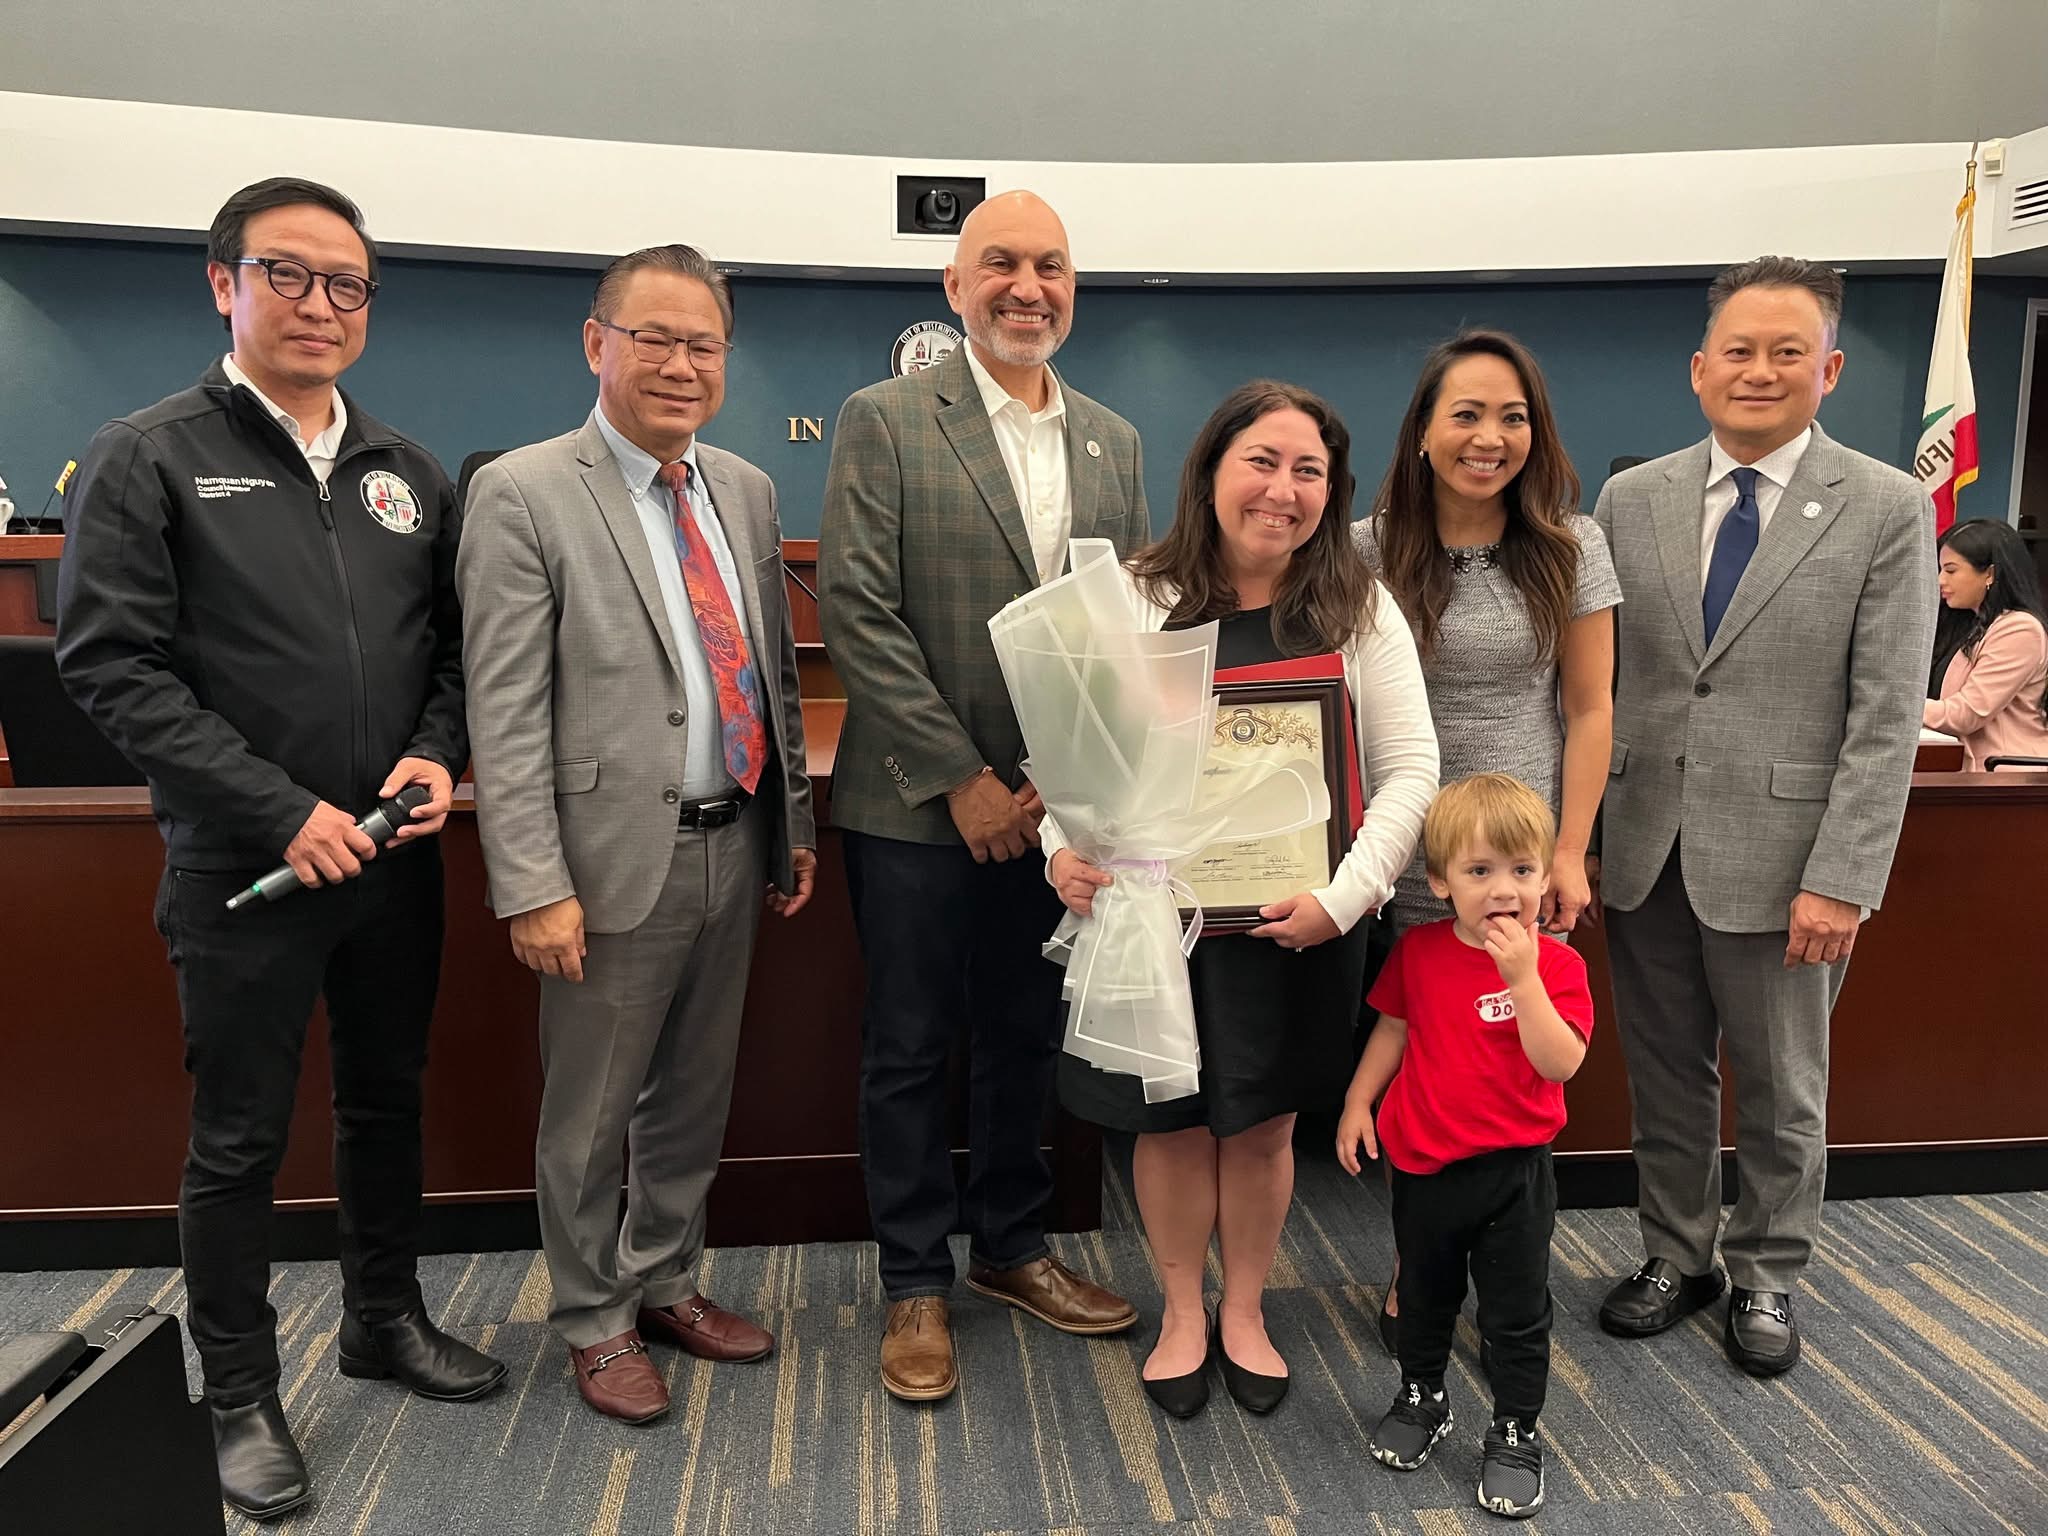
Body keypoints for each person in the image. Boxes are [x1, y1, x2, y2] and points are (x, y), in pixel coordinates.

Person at [54, 177, 501, 1520]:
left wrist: (438, 753)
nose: (320, 304)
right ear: (223, 283)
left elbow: (454, 658)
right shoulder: (151, 454)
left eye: (346, 283)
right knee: (239, 1140)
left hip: (390, 861)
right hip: (246, 867)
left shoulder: (409, 472)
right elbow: (109, 666)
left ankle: (383, 1318)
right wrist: (276, 810)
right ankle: (238, 1387)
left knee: (386, 1102)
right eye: (288, 274)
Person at [457, 244, 815, 1425]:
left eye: (700, 344)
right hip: (605, 863)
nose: (678, 364)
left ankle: (665, 1279)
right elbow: (502, 709)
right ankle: (592, 1316)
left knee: (692, 1097)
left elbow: (766, 670)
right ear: (594, 342)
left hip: (730, 840)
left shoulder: (747, 490)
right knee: (591, 1112)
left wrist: (788, 827)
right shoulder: (521, 491)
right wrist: (529, 883)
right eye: (651, 337)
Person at [1047, 381, 1439, 1418]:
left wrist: (1347, 897)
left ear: (1331, 489)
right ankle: (1181, 1310)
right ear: (1210, 472)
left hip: (1296, 922)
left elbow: (1409, 770)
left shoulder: (1356, 606)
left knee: (1262, 1125)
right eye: (1259, 461)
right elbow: (1067, 755)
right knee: (1168, 1122)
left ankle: (1245, 1309)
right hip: (1150, 921)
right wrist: (1058, 851)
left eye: (1307, 470)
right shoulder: (1131, 593)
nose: (1281, 489)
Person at [819, 190, 1145, 1404]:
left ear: (1073, 286)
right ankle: (914, 1281)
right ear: (953, 288)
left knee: (1023, 1031)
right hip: (914, 805)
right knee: (908, 1044)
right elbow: (856, 608)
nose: (1027, 286)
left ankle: (1010, 1249)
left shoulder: (1114, 440)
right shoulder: (886, 418)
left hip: (1054, 813)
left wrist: (1052, 793)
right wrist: (960, 778)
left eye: (1050, 265)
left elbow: (1116, 628)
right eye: (998, 263)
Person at [1592, 257, 1936, 1375]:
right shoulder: (1628, 498)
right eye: (1737, 349)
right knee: (1664, 1071)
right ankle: (1674, 1253)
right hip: (1643, 845)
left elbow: (1885, 713)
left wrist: (1844, 877)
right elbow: (1609, 685)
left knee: (1785, 1087)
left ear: (1827, 370)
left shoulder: (1883, 506)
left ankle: (1767, 1273)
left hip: (1791, 861)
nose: (1758, 370)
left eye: (1786, 351)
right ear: (1698, 370)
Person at [1352, 328, 1618, 1351]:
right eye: (1464, 413)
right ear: (1422, 431)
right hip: (1406, 849)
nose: (1488, 436)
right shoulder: (1368, 546)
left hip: (1513, 855)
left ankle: (1503, 1259)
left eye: (1511, 416)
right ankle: (1415, 1264)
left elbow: (1590, 708)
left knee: (1504, 1054)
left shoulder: (1570, 543)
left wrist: (1565, 853)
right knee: (1419, 1050)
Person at [1337, 772, 1592, 1519]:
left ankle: (1514, 1429)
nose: (1503, 889)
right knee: (1422, 1295)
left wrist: (1522, 980)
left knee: (1515, 1312)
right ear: (1441, 881)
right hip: (1424, 1167)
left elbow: (1560, 1062)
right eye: (1480, 871)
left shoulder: (1558, 967)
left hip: (1514, 1174)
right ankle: (1423, 1396)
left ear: (1546, 877)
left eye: (1521, 870)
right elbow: (1395, 1027)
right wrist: (1358, 1100)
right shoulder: (1418, 953)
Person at [1924, 517, 2048, 769]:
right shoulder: (1970, 623)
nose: (1940, 581)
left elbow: (1967, 714)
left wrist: (1896, 704)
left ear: (1989, 573)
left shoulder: (2020, 629)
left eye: (1950, 570)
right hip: (1965, 771)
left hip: (2004, 778)